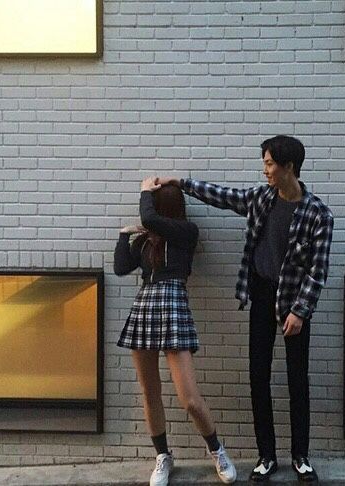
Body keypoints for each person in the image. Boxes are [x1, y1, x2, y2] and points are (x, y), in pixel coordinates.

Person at [157, 135, 333, 484]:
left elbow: (318, 271)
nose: (265, 170)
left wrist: (300, 311)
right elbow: (223, 196)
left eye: (269, 163)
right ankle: (266, 456)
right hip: (263, 295)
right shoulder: (261, 199)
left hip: (294, 301)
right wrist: (181, 183)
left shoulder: (318, 214)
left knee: (297, 379)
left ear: (288, 167)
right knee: (258, 375)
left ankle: (301, 456)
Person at [114, 178, 237, 486]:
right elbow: (120, 267)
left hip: (173, 307)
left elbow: (148, 218)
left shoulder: (186, 232)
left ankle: (217, 450)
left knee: (189, 399)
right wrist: (124, 237)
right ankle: (163, 456)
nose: (150, 212)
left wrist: (145, 191)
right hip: (145, 307)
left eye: (154, 206)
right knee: (150, 392)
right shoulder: (147, 241)